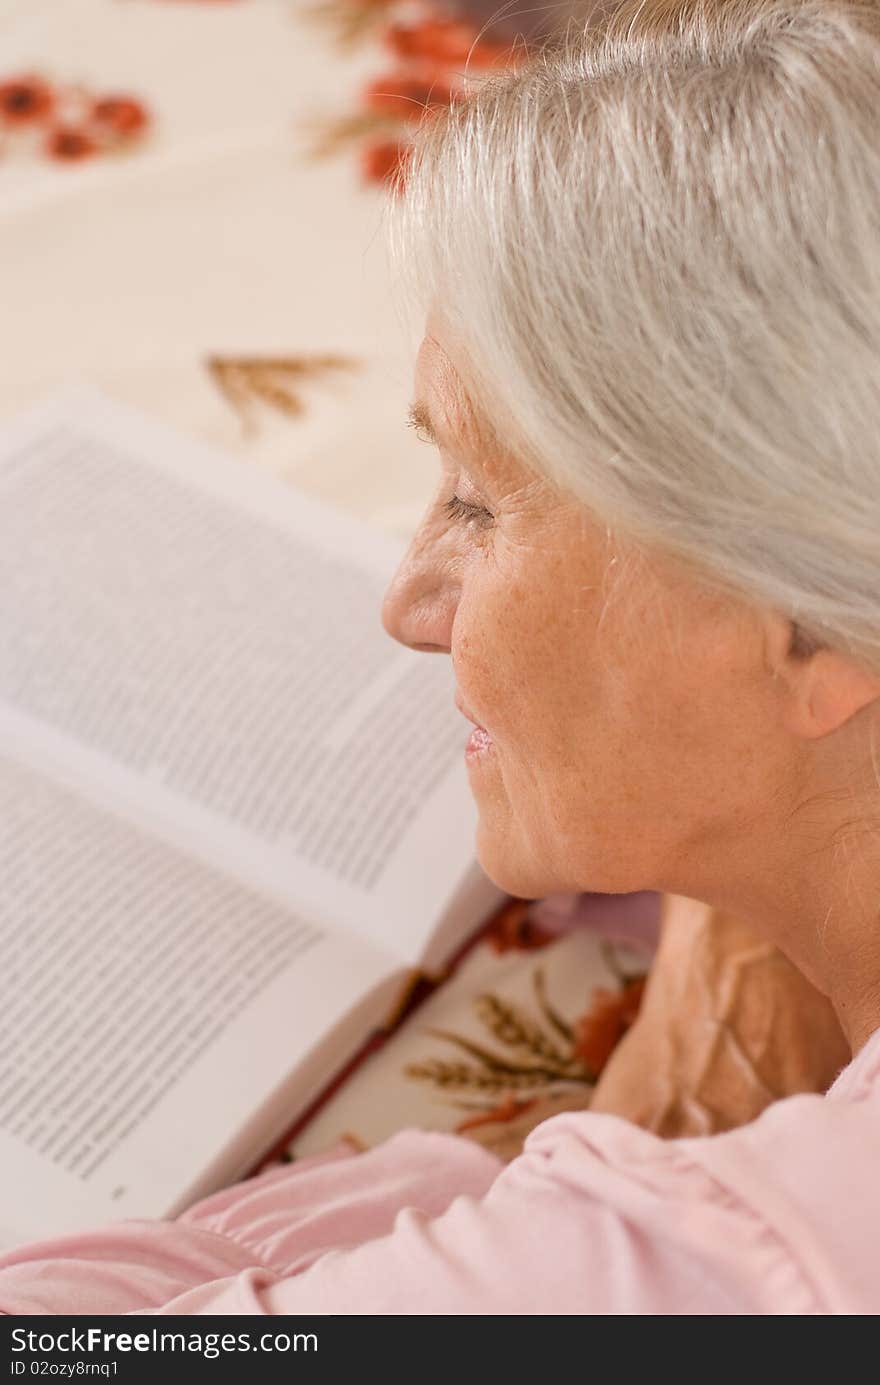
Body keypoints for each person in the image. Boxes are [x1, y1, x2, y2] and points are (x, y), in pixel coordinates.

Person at [3, 0, 880, 1314]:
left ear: (809, 619)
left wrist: (504, 1192)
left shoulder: (706, 1247)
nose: (406, 601)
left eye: (476, 499)